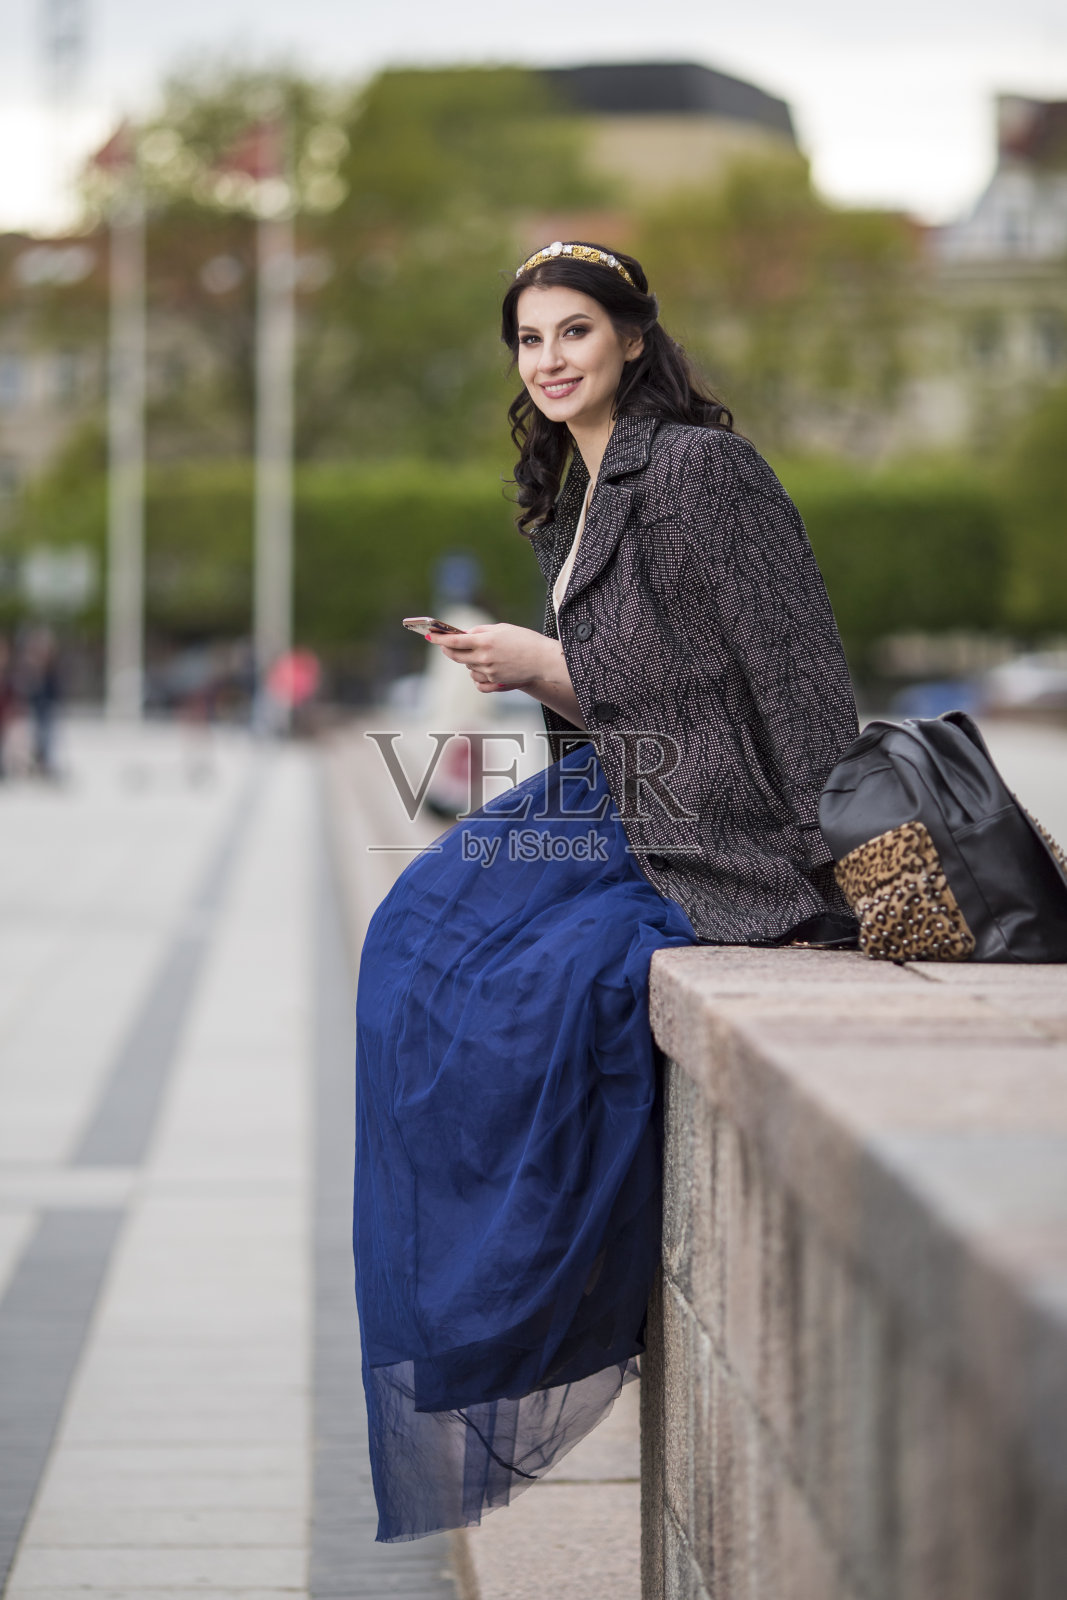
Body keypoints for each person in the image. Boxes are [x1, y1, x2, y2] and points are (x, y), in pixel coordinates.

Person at [353, 241, 859, 1544]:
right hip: (629, 791)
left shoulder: (702, 469)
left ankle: (533, 1306)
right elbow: (634, 683)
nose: (552, 358)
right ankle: (487, 1316)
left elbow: (799, 671)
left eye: (576, 330)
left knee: (532, 982)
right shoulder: (578, 488)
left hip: (719, 815)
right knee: (417, 933)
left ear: (635, 337)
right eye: (530, 340)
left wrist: (834, 860)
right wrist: (537, 671)